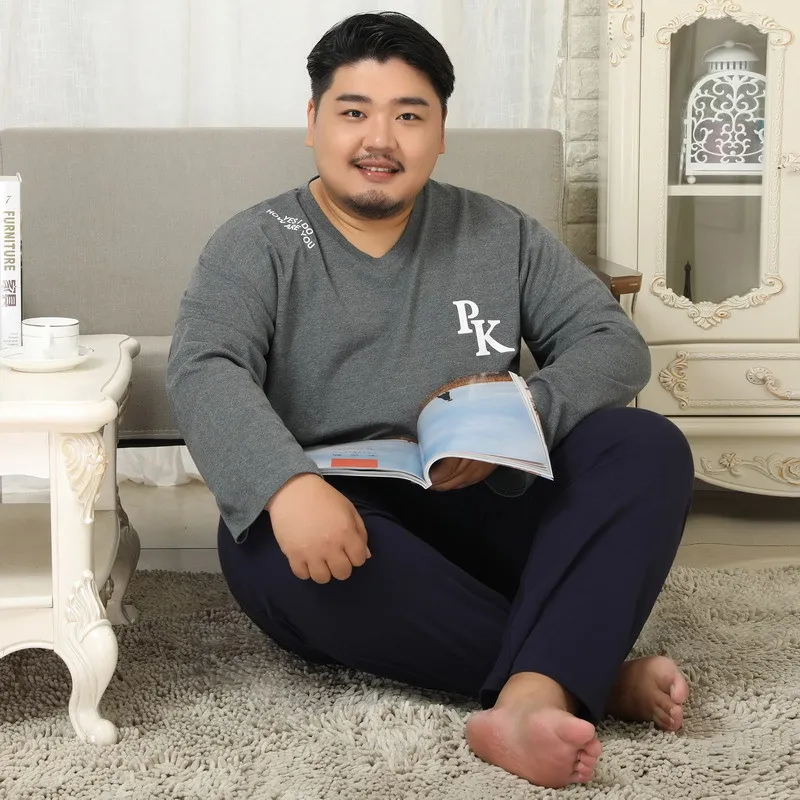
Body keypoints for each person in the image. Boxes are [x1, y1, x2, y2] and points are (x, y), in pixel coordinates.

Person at [166, 11, 694, 789]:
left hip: (488, 499)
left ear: (441, 131)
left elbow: (612, 344)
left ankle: (537, 687)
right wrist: (287, 485)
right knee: (271, 556)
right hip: (339, 512)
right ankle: (579, 677)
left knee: (644, 446)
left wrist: (518, 409)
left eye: (409, 116)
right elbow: (203, 367)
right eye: (354, 112)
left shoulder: (501, 233)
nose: (379, 140)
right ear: (313, 122)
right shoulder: (256, 242)